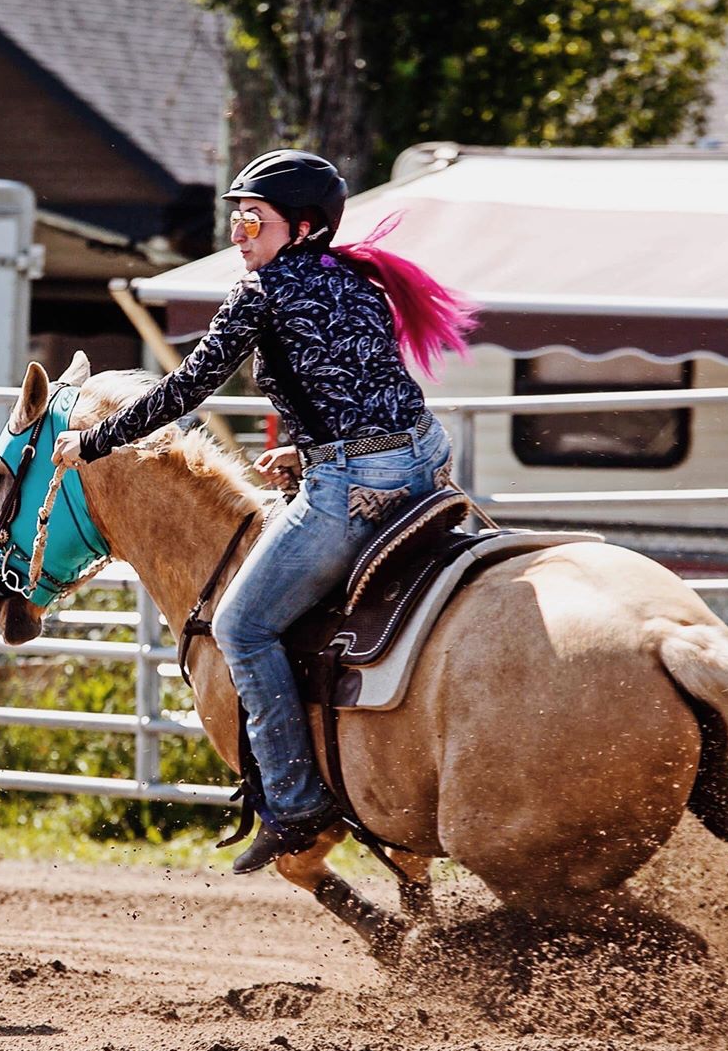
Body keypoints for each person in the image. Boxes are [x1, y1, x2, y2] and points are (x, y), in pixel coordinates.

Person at [51, 149, 478, 874]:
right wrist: (308, 452)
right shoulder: (355, 279)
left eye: (253, 219)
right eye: (236, 219)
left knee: (240, 626)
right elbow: (358, 391)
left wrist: (94, 440)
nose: (238, 234)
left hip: (354, 485)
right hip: (425, 465)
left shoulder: (260, 292)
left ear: (302, 227)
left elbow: (186, 389)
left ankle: (294, 799)